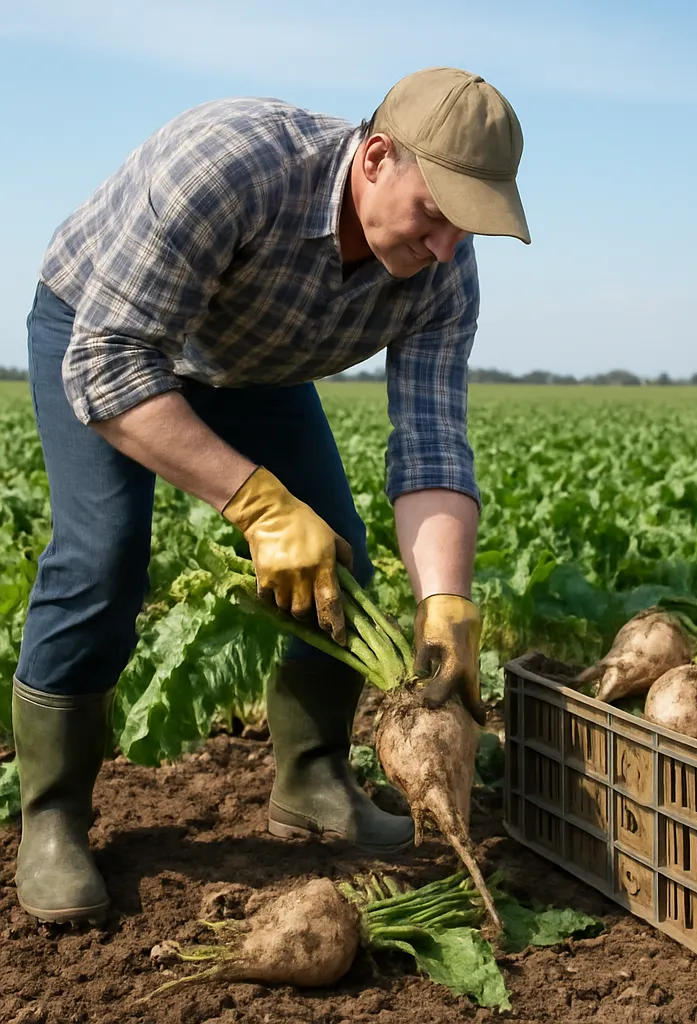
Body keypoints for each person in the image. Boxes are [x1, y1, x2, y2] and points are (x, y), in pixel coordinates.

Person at [11, 66, 530, 924]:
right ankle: (54, 817)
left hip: (251, 363)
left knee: (342, 561)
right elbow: (106, 365)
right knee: (103, 560)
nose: (445, 247)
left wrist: (446, 601)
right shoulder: (231, 165)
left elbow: (431, 439)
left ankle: (313, 779)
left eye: (465, 227)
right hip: (102, 330)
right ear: (374, 159)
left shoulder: (444, 271)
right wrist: (254, 504)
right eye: (434, 213)